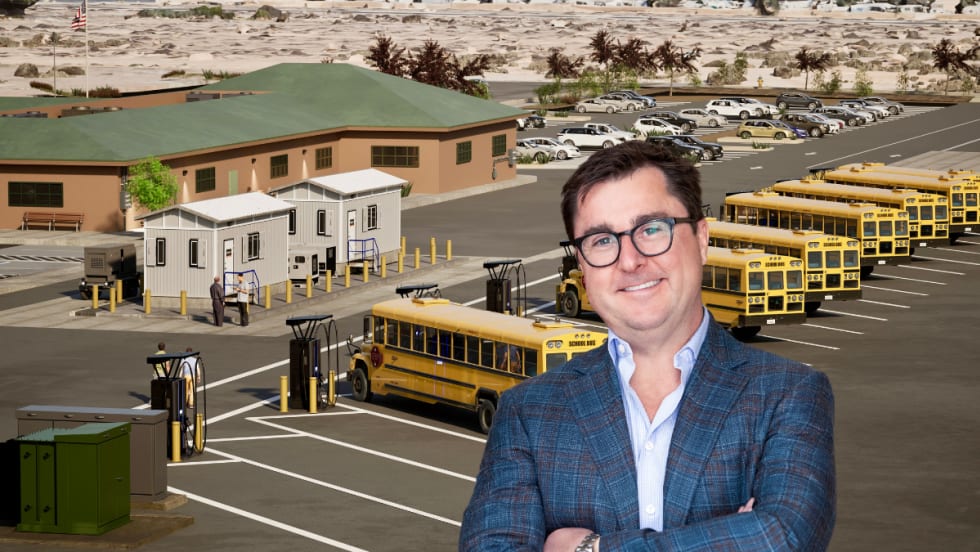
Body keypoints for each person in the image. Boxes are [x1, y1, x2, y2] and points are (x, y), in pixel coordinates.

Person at [460, 141, 835, 551]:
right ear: (582, 268)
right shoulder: (528, 413)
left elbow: (783, 537)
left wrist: (590, 548)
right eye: (602, 240)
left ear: (702, 238)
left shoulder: (788, 394)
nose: (630, 260)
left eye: (652, 229)